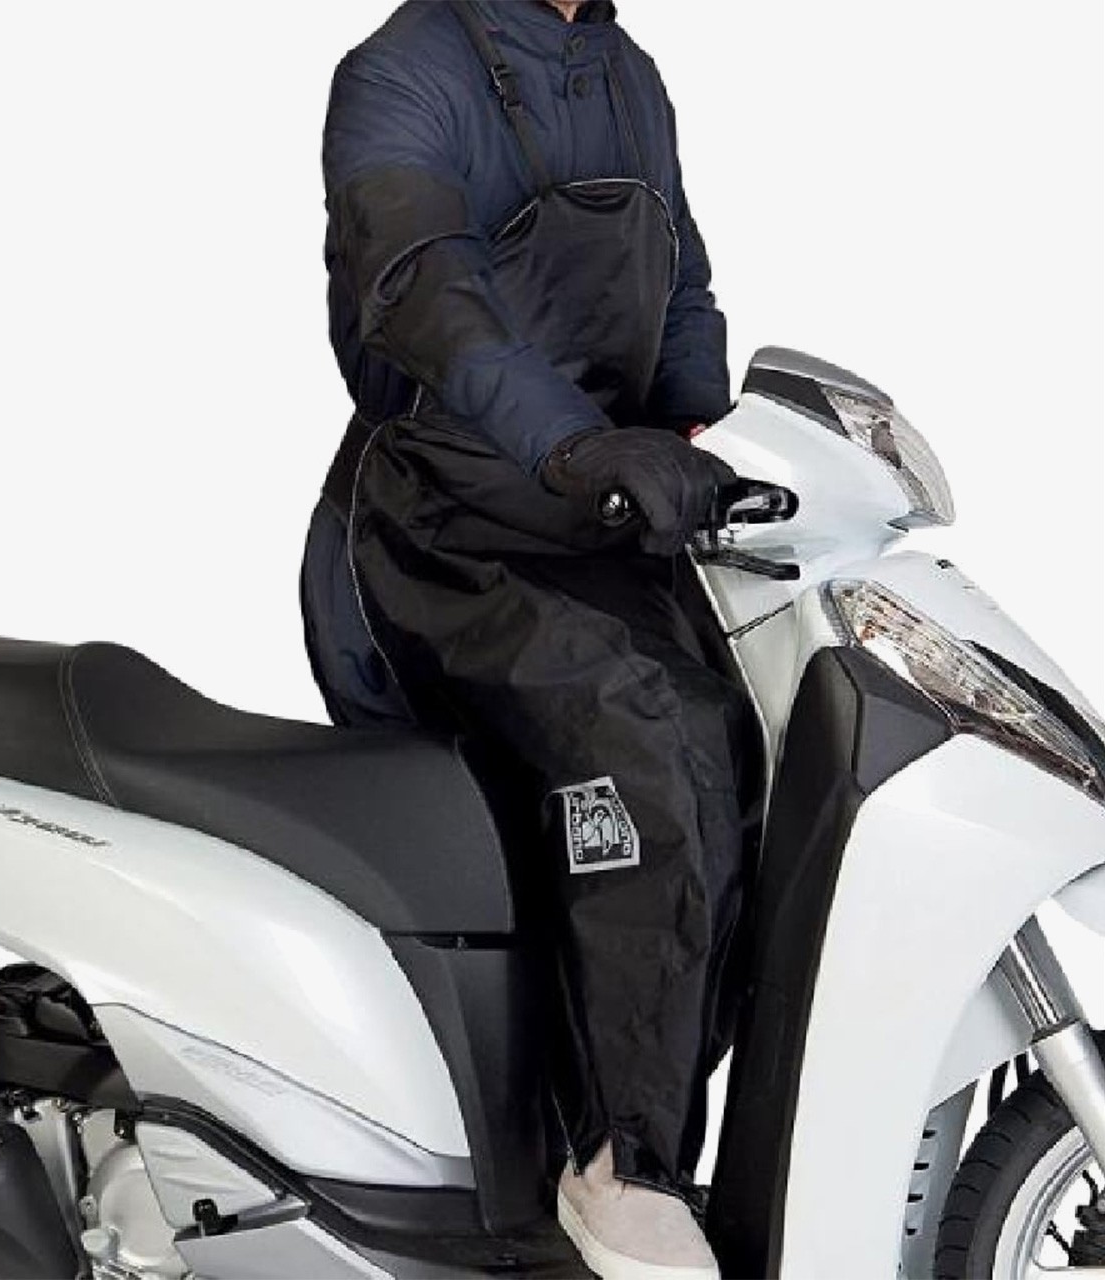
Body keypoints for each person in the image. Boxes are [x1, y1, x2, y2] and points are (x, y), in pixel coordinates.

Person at [301, 3, 751, 1277]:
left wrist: (700, 434)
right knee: (655, 741)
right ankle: (621, 1166)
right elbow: (421, 287)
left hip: (599, 515)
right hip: (443, 527)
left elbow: (683, 283)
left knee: (763, 746)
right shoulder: (404, 71)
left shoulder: (625, 69)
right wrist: (573, 443)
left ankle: (642, 1135)